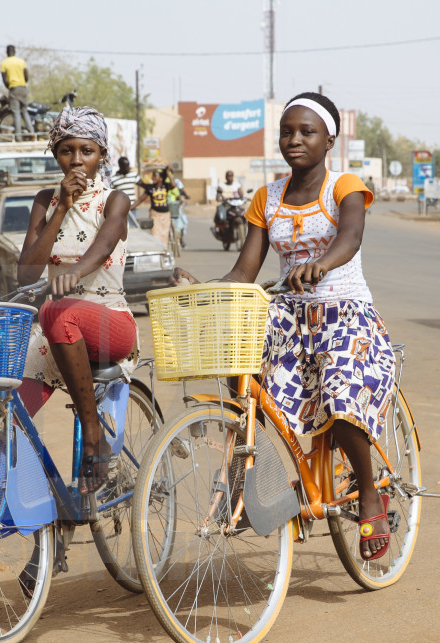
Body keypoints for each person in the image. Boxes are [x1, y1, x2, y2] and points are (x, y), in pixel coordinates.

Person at [172, 91, 395, 561]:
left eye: (306, 131)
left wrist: (320, 263)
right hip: (289, 316)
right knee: (247, 380)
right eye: (287, 131)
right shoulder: (266, 197)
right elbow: (243, 273)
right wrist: (203, 287)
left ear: (328, 139)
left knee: (339, 396)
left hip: (343, 313)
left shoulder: (345, 186)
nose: (294, 140)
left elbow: (350, 238)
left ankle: (371, 492)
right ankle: (252, 478)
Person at [17, 106, 137, 497]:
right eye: (67, 150)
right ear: (56, 154)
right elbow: (26, 273)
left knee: (54, 311)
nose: (76, 160)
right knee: (9, 418)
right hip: (57, 330)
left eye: (86, 150)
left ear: (101, 154)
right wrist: (62, 208)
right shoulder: (45, 200)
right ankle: (33, 520)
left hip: (109, 324)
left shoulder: (115, 199)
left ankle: (92, 430)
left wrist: (78, 272)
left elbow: (105, 244)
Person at [133, 168, 172, 246]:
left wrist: (168, 174)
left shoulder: (165, 186)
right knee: (155, 236)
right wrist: (129, 208)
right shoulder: (150, 188)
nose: (153, 178)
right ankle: (157, 254)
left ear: (160, 178)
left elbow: (174, 185)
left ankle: (163, 255)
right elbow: (140, 200)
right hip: (155, 215)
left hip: (165, 215)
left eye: (155, 176)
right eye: (153, 176)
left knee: (164, 236)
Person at [0, 45, 32, 140]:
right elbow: (26, 77)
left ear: (7, 52)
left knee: (16, 113)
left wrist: (9, 87)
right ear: (15, 52)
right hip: (23, 88)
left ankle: (18, 137)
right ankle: (31, 133)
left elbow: (4, 80)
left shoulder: (4, 63)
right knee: (25, 111)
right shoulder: (21, 62)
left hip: (13, 88)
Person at [212, 170, 244, 238]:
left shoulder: (237, 185)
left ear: (233, 177)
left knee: (244, 214)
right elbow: (218, 195)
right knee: (222, 217)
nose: (229, 177)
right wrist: (219, 198)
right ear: (225, 177)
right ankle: (222, 230)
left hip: (235, 204)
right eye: (228, 176)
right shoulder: (221, 185)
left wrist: (244, 198)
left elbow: (241, 195)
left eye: (231, 176)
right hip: (226, 205)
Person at [167, 165, 190, 249]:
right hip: (166, 205)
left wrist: (185, 196)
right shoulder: (163, 182)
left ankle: (181, 239)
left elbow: (181, 191)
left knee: (182, 220)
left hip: (175, 205)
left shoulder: (176, 182)